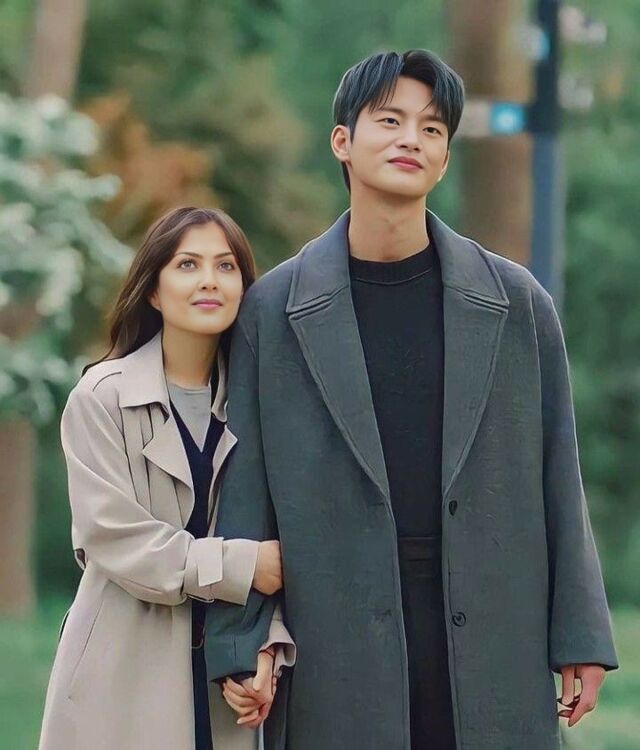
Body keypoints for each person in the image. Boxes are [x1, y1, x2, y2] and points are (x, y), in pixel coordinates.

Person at [205, 50, 618, 749]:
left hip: (494, 627)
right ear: (342, 141)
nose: (411, 139)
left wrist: (580, 633)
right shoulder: (272, 311)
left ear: (446, 158)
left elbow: (559, 471)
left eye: (431, 128)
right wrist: (242, 640)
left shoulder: (516, 302)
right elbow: (245, 492)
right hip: (333, 637)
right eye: (390, 120)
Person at [38, 207, 295, 750]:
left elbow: (283, 547)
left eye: (226, 266)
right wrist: (243, 565)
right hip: (120, 675)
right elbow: (115, 540)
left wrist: (267, 648)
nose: (209, 280)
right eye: (187, 264)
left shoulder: (263, 406)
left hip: (225, 689)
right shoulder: (101, 398)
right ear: (153, 290)